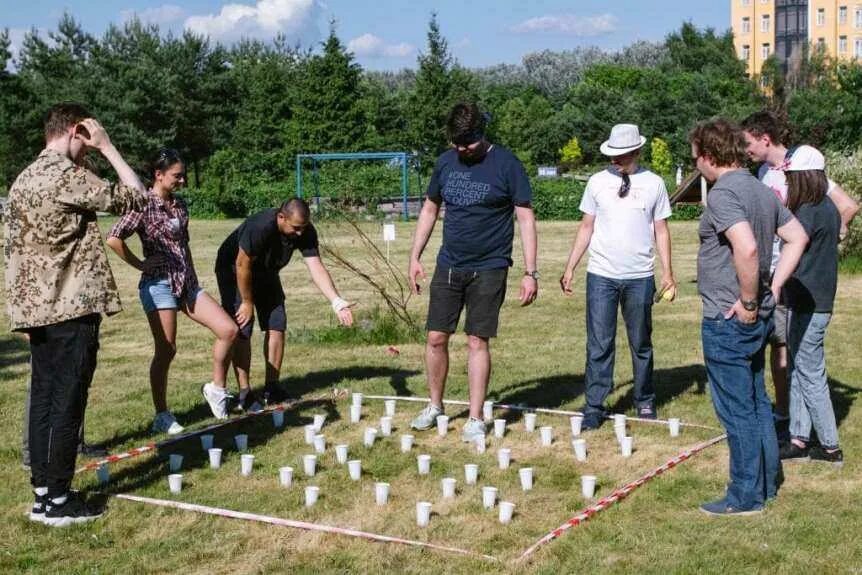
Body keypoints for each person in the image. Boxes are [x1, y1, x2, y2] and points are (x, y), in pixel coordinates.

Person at [4, 103, 147, 525]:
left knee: (44, 401)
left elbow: (12, 252)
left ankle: (43, 494)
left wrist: (21, 314)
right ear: (76, 131)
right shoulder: (65, 175)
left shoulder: (23, 179)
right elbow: (135, 198)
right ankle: (62, 502)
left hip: (37, 310)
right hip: (71, 306)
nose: (88, 148)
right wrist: (108, 148)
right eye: (88, 137)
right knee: (68, 403)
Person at [691, 118, 808, 516]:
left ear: (709, 156)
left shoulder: (723, 194)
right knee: (757, 401)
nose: (695, 167)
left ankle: (744, 496)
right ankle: (766, 483)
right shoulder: (760, 188)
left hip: (731, 318)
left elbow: (748, 249)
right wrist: (772, 288)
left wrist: (750, 300)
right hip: (753, 314)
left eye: (696, 159)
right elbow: (797, 238)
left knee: (737, 408)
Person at [407, 102, 538, 443]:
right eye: (457, 143)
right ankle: (435, 406)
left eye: (467, 143)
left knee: (477, 340)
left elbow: (525, 217)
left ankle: (476, 417)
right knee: (436, 337)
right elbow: (430, 208)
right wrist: (415, 255)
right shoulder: (445, 162)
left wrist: (530, 272)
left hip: (490, 267)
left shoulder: (507, 164)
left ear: (482, 134)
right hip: (449, 263)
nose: (461, 150)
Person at [740, 111, 858, 438]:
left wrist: (828, 240)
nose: (744, 149)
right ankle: (793, 426)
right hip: (771, 271)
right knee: (782, 347)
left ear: (765, 138)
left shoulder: (804, 169)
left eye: (748, 142)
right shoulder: (763, 172)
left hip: (798, 276)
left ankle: (806, 431)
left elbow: (847, 206)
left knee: (791, 352)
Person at [106, 148, 240, 431]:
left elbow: (184, 245)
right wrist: (141, 265)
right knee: (166, 350)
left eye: (183, 176)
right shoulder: (143, 204)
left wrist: (193, 278)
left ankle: (216, 389)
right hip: (159, 285)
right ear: (158, 175)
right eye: (177, 176)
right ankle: (162, 415)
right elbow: (114, 238)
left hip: (186, 283)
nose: (182, 181)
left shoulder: (180, 206)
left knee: (229, 330)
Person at [560, 124, 675, 429]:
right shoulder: (597, 182)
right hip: (601, 275)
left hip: (640, 277)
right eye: (612, 155)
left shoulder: (654, 183)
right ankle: (595, 406)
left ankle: (645, 399)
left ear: (636, 152)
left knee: (641, 342)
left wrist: (668, 272)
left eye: (621, 155)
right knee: (599, 344)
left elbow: (661, 230)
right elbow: (586, 226)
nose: (615, 160)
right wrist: (571, 266)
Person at [214, 198, 354, 408]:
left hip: (266, 271)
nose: (300, 233)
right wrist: (246, 301)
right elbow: (242, 264)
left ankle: (272, 387)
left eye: (303, 228)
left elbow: (316, 267)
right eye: (295, 228)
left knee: (277, 323)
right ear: (281, 217)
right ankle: (245, 393)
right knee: (243, 327)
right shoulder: (260, 225)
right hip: (233, 269)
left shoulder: (304, 230)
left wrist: (336, 302)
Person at [776, 147, 844, 465]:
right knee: (801, 370)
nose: (788, 182)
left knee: (810, 372)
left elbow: (793, 250)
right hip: (813, 299)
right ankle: (799, 439)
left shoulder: (808, 211)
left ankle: (830, 446)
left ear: (803, 176)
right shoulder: (827, 206)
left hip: (810, 301)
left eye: (790, 177)